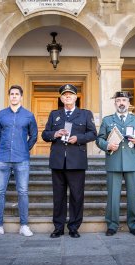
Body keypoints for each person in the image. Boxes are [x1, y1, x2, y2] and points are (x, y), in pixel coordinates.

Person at [42, 84, 97, 238]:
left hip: (76, 161)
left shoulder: (85, 114)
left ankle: (74, 227)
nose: (67, 97)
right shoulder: (54, 115)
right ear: (61, 98)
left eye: (70, 95)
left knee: (76, 196)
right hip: (58, 161)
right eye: (65, 95)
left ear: (75, 97)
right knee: (58, 197)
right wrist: (55, 133)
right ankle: (58, 227)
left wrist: (78, 138)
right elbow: (45, 135)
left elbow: (93, 133)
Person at [0, 85, 38, 238]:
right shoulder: (1, 115)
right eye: (12, 94)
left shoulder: (28, 115)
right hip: (3, 158)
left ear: (21, 97)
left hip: (21, 159)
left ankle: (24, 225)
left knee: (23, 192)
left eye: (17, 94)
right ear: (9, 96)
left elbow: (34, 136)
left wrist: (24, 148)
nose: (14, 96)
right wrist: (4, 147)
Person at [96, 91, 135, 236]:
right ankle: (112, 225)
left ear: (129, 103)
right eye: (118, 100)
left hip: (131, 160)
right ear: (115, 103)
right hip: (114, 161)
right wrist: (107, 145)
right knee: (113, 195)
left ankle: (134, 225)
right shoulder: (107, 120)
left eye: (124, 100)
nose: (121, 103)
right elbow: (99, 139)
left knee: (133, 195)